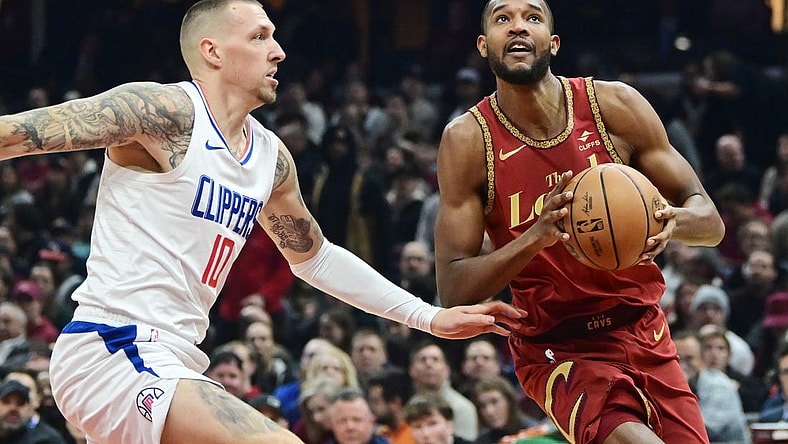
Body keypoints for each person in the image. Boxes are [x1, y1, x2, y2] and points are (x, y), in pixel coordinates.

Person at [0, 2, 528, 443]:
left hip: (178, 357)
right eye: (259, 36)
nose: (279, 50)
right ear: (212, 51)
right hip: (112, 349)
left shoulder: (269, 158)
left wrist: (428, 318)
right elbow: (15, 134)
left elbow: (315, 257)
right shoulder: (163, 112)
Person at [433, 1, 726, 443]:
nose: (517, 27)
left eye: (532, 17)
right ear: (482, 45)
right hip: (557, 345)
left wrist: (669, 221)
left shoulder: (614, 105)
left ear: (552, 43)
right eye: (502, 19)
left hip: (643, 325)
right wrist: (536, 236)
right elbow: (454, 289)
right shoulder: (468, 140)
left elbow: (711, 223)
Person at [672, 331, 752, 443]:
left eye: (688, 359)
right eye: (676, 360)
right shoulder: (677, 384)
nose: (681, 365)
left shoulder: (718, 385)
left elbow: (698, 431)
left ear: (702, 359)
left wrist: (679, 389)